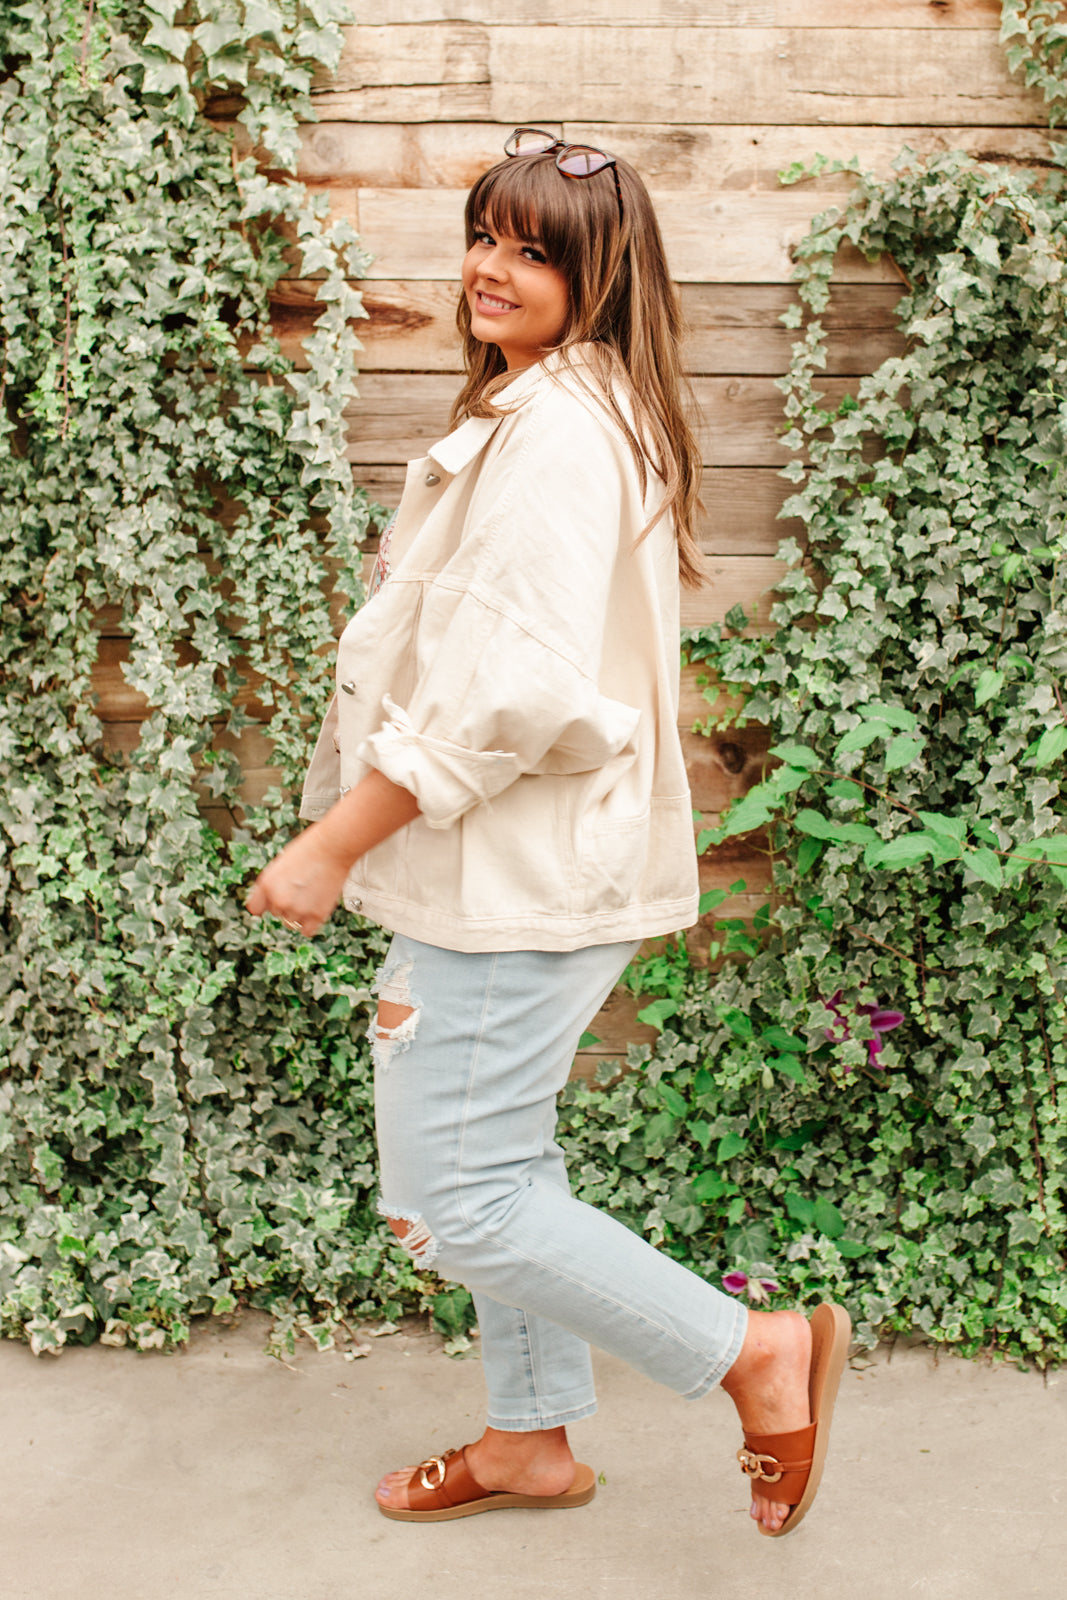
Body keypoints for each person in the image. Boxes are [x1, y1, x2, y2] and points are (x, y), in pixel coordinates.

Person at [246, 128, 850, 1538]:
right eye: (484, 235)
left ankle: (753, 1352)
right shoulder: (560, 411)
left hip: (512, 880)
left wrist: (333, 843)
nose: (489, 268)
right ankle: (530, 1440)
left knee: (456, 1203)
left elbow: (503, 691)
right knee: (502, 1169)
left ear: (601, 277)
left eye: (533, 251)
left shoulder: (560, 436)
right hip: (512, 868)